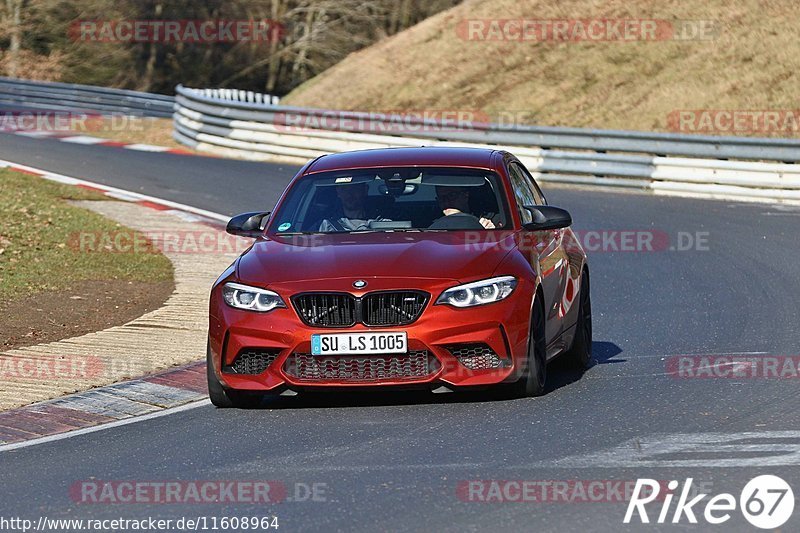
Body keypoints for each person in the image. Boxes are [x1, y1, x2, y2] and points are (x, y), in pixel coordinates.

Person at [319, 182, 389, 232]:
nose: (350, 194)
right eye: (345, 189)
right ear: (338, 192)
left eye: (355, 188)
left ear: (365, 190)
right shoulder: (327, 226)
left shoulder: (382, 224)